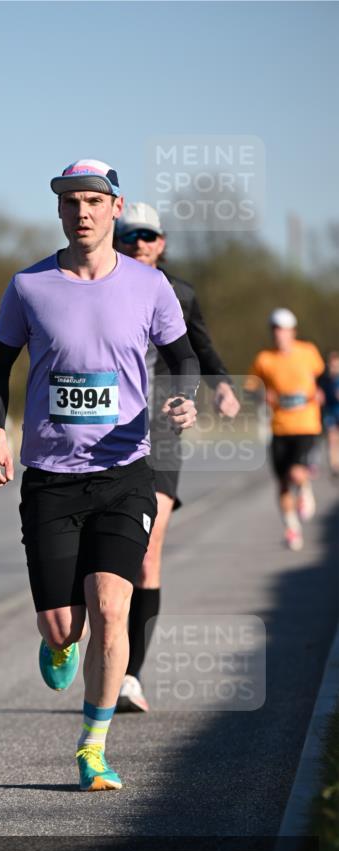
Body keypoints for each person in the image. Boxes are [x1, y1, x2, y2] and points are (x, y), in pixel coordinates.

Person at [0, 159, 200, 791]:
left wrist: (184, 400)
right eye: (71, 201)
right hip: (51, 478)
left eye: (94, 201)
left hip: (125, 472)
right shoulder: (29, 286)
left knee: (110, 606)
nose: (82, 212)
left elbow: (184, 359)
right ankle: (58, 642)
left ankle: (93, 747)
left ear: (115, 208)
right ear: (59, 210)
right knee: (64, 624)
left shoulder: (149, 286)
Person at [113, 203, 240, 712]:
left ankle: (129, 675)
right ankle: (85, 637)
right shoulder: (97, 288)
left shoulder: (180, 294)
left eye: (148, 236)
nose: (139, 243)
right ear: (116, 241)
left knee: (147, 551)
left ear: (161, 243)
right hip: (107, 433)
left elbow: (203, 350)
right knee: (100, 557)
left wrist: (222, 386)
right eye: (130, 236)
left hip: (162, 430)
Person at [245, 308, 325, 551]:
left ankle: (304, 487)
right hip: (279, 427)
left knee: (296, 473)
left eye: (284, 330)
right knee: (282, 483)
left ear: (293, 332)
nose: (280, 335)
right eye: (276, 330)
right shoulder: (264, 359)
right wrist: (262, 394)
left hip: (306, 424)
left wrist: (321, 391)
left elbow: (322, 376)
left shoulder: (308, 352)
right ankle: (292, 528)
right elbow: (250, 387)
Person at [319, 350, 339, 476]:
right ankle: (334, 465)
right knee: (332, 439)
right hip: (330, 412)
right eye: (332, 365)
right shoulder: (324, 380)